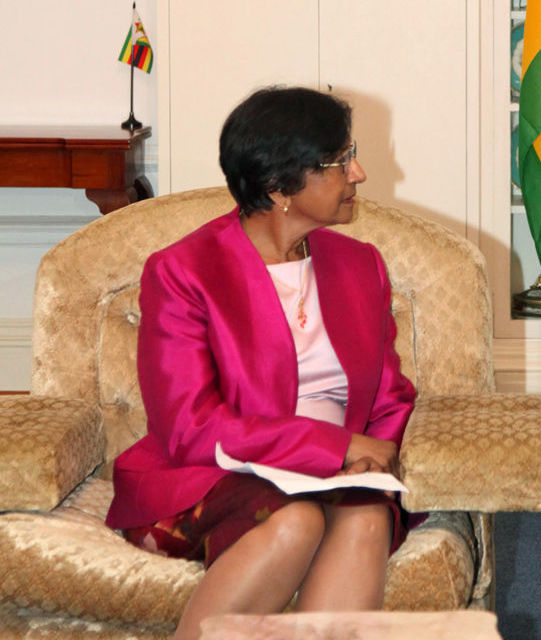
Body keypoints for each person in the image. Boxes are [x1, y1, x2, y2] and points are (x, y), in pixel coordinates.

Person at [105, 86, 416, 639]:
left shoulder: (359, 263)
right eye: (338, 162)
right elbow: (189, 428)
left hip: (334, 474)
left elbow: (390, 396)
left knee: (367, 515)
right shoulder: (185, 273)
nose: (359, 173)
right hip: (211, 475)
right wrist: (336, 446)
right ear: (278, 189)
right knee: (293, 522)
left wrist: (371, 459)